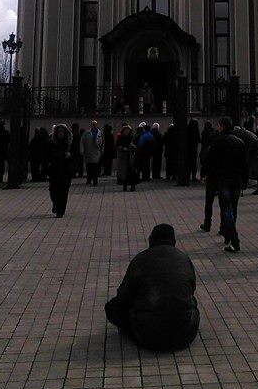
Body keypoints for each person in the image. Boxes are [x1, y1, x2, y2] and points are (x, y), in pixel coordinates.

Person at [104, 223, 200, 351]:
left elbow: (123, 296)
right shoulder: (184, 259)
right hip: (185, 333)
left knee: (112, 308)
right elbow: (191, 289)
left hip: (148, 335)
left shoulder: (141, 259)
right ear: (174, 241)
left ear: (150, 240)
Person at [203, 117, 247, 253]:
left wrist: (208, 176)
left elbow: (210, 161)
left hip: (223, 180)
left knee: (226, 209)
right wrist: (244, 181)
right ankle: (228, 234)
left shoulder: (217, 142)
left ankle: (234, 239)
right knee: (233, 208)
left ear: (222, 126)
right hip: (236, 180)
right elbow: (244, 163)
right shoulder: (240, 142)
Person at [234, 124, 258, 195]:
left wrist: (246, 157)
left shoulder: (247, 135)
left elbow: (250, 147)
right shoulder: (244, 134)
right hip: (255, 154)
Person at [47, 124, 73, 217]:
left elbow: (76, 155)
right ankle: (56, 205)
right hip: (54, 171)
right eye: (59, 132)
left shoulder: (69, 144)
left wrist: (70, 156)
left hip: (65, 171)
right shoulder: (52, 143)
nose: (60, 133)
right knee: (53, 191)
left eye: (62, 132)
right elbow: (48, 155)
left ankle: (60, 210)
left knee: (63, 191)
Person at [80, 120, 104, 186]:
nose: (94, 125)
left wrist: (102, 150)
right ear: (91, 125)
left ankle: (95, 180)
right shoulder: (86, 133)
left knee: (95, 167)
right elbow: (82, 142)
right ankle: (89, 179)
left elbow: (103, 143)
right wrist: (82, 150)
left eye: (95, 124)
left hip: (96, 152)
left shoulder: (100, 133)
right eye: (93, 124)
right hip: (88, 152)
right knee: (89, 167)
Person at [115, 124, 137, 191]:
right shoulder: (120, 138)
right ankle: (125, 185)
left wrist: (132, 147)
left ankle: (133, 186)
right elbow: (117, 146)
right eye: (125, 130)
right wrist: (122, 148)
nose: (126, 132)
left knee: (131, 172)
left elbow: (135, 146)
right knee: (124, 173)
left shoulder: (132, 138)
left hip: (130, 157)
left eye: (128, 130)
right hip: (123, 158)